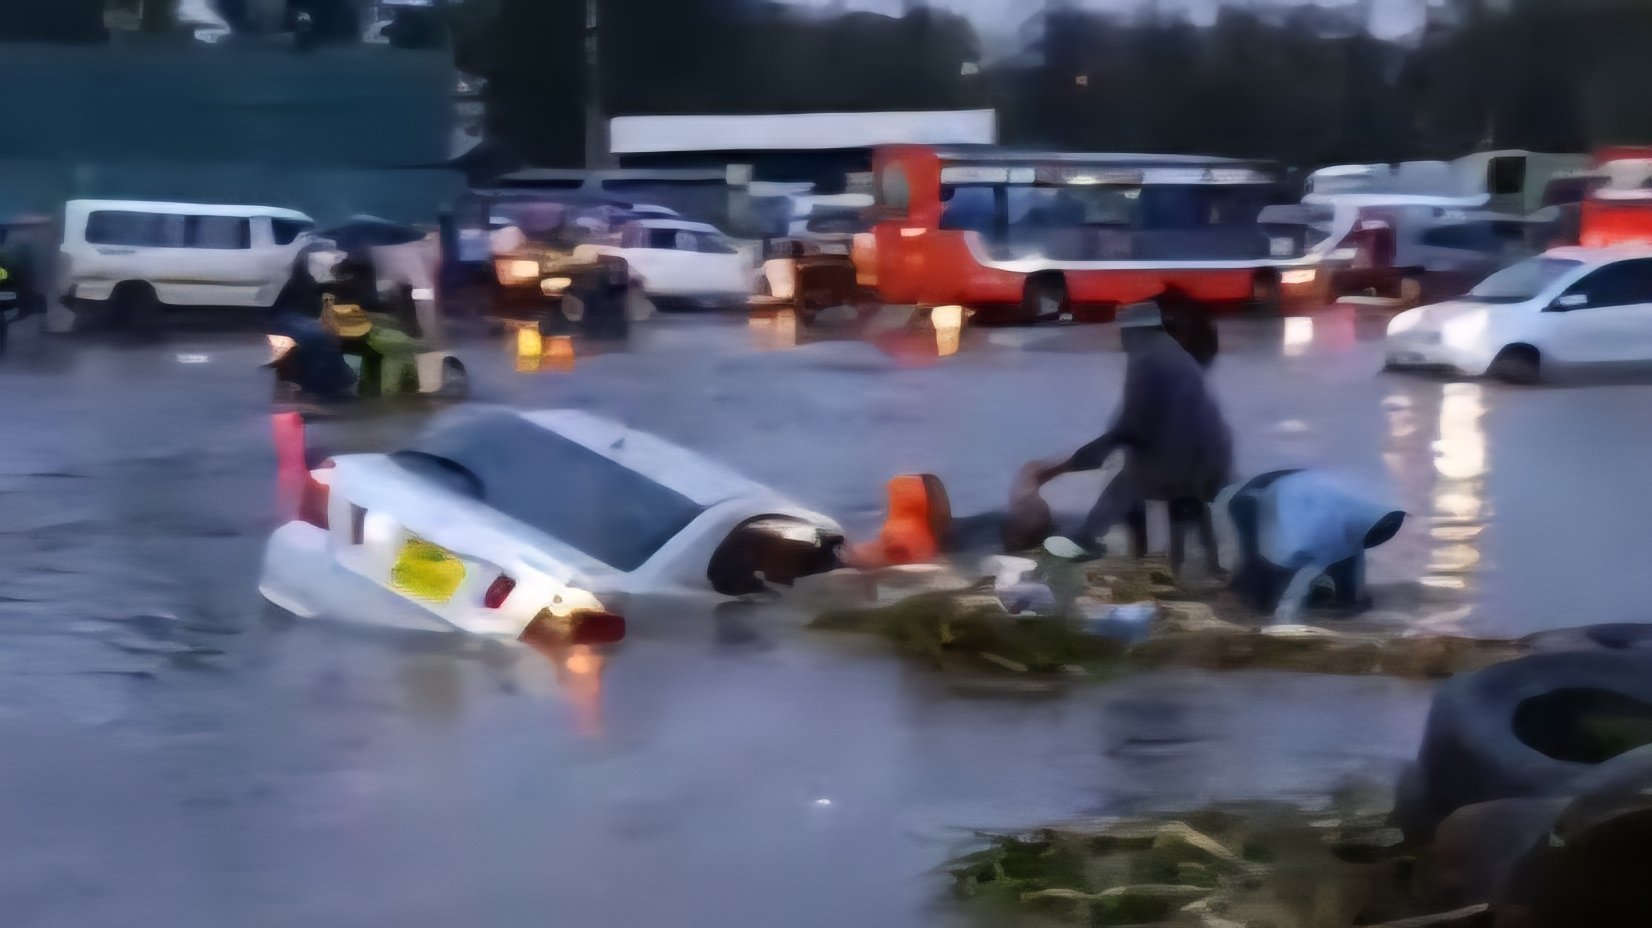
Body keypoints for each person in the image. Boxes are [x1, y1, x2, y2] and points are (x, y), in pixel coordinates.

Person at [1038, 302, 1234, 569]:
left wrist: (1066, 466)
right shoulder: (1171, 353)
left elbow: (1128, 428)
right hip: (1209, 460)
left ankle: (1087, 538)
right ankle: (1116, 546)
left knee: (1128, 479)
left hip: (1188, 470)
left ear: (1131, 332)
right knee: (1130, 469)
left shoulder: (1147, 360)